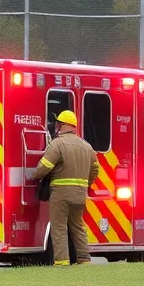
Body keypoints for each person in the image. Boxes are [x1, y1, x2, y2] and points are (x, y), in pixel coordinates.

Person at [32, 109, 98, 266]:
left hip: (61, 194)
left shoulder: (58, 144)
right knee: (78, 226)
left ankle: (62, 262)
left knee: (59, 227)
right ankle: (84, 259)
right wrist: (85, 184)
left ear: (61, 125)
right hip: (80, 194)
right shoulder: (87, 146)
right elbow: (95, 169)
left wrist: (35, 175)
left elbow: (45, 166)